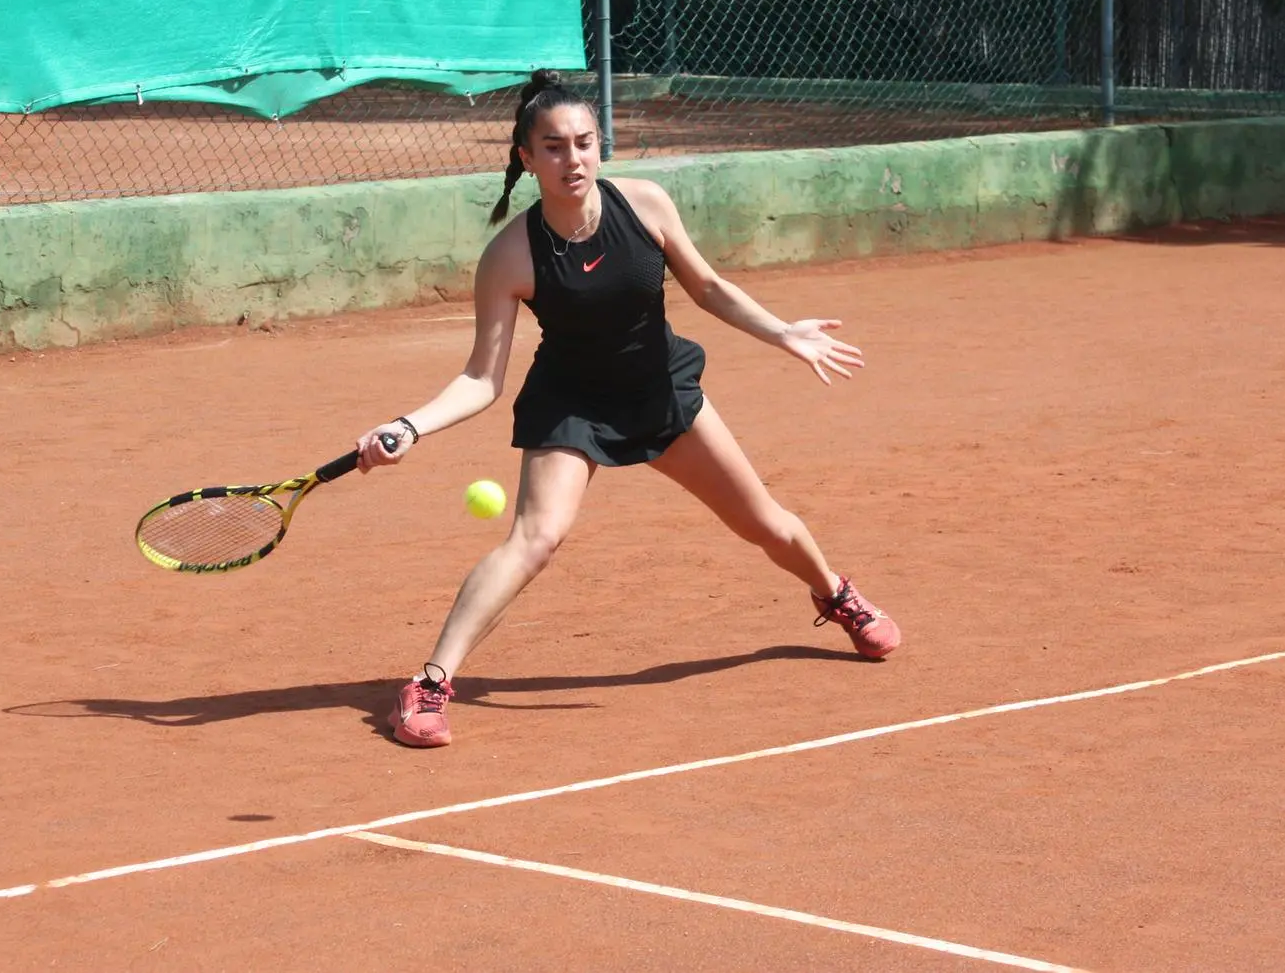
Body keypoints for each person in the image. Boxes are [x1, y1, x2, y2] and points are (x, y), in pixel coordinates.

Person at [355, 70, 898, 749]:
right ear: (525, 158)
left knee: (763, 520)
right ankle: (429, 683)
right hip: (572, 403)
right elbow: (480, 378)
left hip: (658, 390)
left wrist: (781, 330)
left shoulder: (644, 204)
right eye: (552, 147)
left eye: (583, 142)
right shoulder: (510, 256)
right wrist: (408, 424)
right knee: (536, 537)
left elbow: (708, 287)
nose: (571, 158)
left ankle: (832, 591)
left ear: (599, 145)